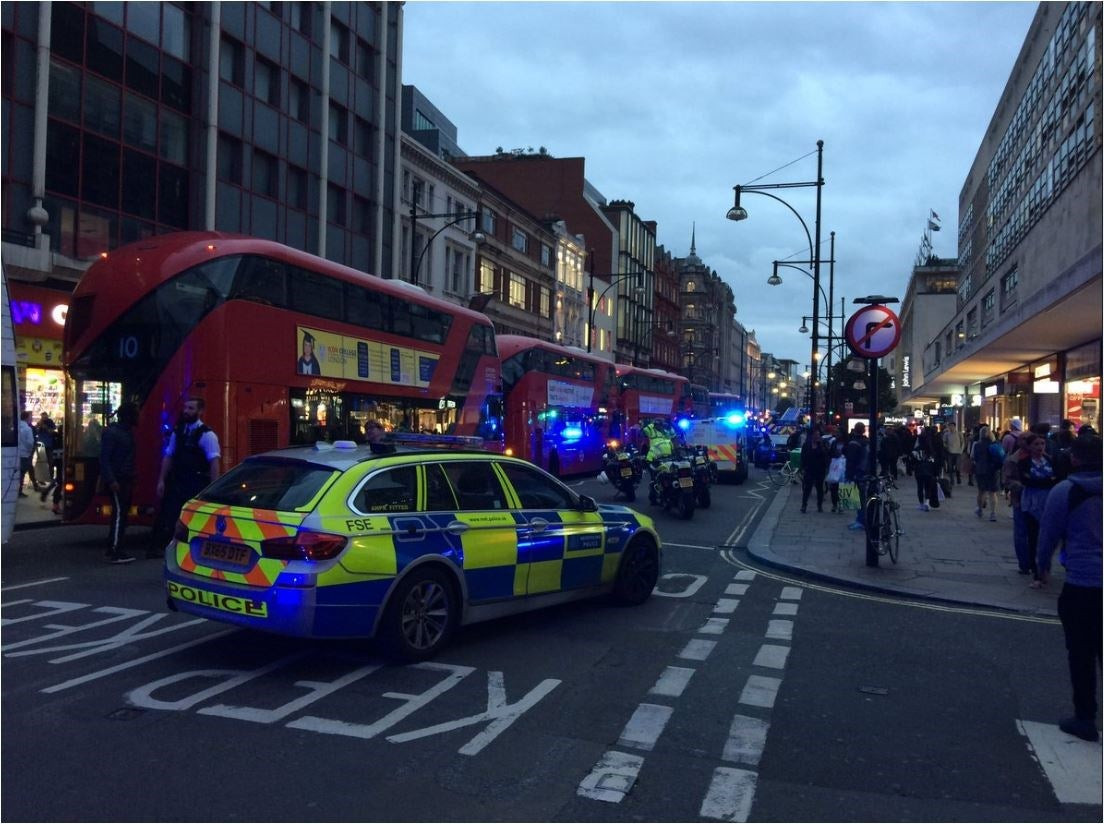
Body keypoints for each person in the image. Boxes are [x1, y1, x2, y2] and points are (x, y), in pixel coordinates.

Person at [1036, 435, 1102, 742]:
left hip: (1083, 583)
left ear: (1074, 459)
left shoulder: (1065, 491)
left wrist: (1042, 565)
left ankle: (1085, 717)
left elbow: (1048, 532)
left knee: (1081, 653)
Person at [150, 398, 221, 559]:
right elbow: (169, 456)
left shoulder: (207, 435)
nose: (186, 411)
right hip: (177, 481)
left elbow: (214, 463)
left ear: (200, 411)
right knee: (169, 515)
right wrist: (162, 479)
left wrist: (213, 489)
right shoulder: (179, 431)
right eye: (185, 408)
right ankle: (164, 547)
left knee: (192, 518)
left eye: (191, 408)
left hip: (195, 482)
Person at [100, 403, 139, 564]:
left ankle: (113, 546)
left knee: (121, 514)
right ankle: (116, 550)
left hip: (125, 478)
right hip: (118, 479)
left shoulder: (125, 432)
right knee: (119, 514)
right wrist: (111, 480)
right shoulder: (113, 433)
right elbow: (104, 458)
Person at [1018, 432, 1057, 588]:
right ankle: (1036, 572)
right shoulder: (1024, 462)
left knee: (1048, 538)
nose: (1040, 447)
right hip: (1031, 504)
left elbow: (1057, 478)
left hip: (1049, 502)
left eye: (1042, 444)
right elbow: (1026, 480)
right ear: (1029, 446)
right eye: (1036, 444)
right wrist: (1047, 480)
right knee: (1033, 538)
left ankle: (1045, 569)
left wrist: (1040, 481)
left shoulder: (1050, 460)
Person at [1002, 433, 1034, 576]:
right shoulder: (1013, 460)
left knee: (1036, 533)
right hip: (1020, 500)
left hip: (1038, 501)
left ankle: (1035, 562)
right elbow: (1007, 480)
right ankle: (1024, 563)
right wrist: (1023, 487)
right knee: (1021, 532)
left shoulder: (1044, 458)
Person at [971, 425, 1001, 521]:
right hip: (993, 470)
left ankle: (980, 510)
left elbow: (974, 458)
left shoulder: (977, 445)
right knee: (993, 493)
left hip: (981, 470)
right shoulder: (995, 444)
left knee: (981, 491)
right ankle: (993, 513)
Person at [844, 422, 869, 531]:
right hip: (865, 472)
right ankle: (860, 519)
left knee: (858, 499)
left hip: (856, 473)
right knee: (862, 498)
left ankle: (860, 521)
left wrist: (849, 474)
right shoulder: (867, 441)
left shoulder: (853, 442)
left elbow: (851, 459)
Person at [799, 426, 828, 513]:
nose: (817, 436)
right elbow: (803, 456)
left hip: (820, 470)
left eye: (818, 434)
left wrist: (821, 446)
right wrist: (802, 467)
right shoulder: (807, 444)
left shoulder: (822, 444)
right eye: (815, 435)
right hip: (809, 469)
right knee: (807, 489)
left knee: (820, 489)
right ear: (812, 435)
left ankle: (819, 506)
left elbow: (825, 456)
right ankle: (804, 505)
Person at [912, 427, 941, 511]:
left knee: (920, 487)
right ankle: (927, 503)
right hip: (929, 470)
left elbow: (913, 460)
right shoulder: (931, 450)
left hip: (919, 470)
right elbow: (934, 461)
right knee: (928, 487)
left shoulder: (917, 450)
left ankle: (921, 504)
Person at [17, 411, 36, 496]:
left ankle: (17, 490)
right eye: (30, 416)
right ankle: (19, 491)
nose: (31, 418)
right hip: (25, 454)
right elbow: (30, 443)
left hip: (17, 453)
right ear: (27, 417)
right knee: (22, 473)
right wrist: (30, 450)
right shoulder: (28, 429)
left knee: (18, 473)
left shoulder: (16, 426)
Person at [825, 439, 846, 513]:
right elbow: (830, 453)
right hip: (836, 466)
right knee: (834, 487)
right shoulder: (834, 442)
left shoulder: (847, 441)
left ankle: (842, 505)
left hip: (844, 465)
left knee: (844, 486)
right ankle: (835, 504)